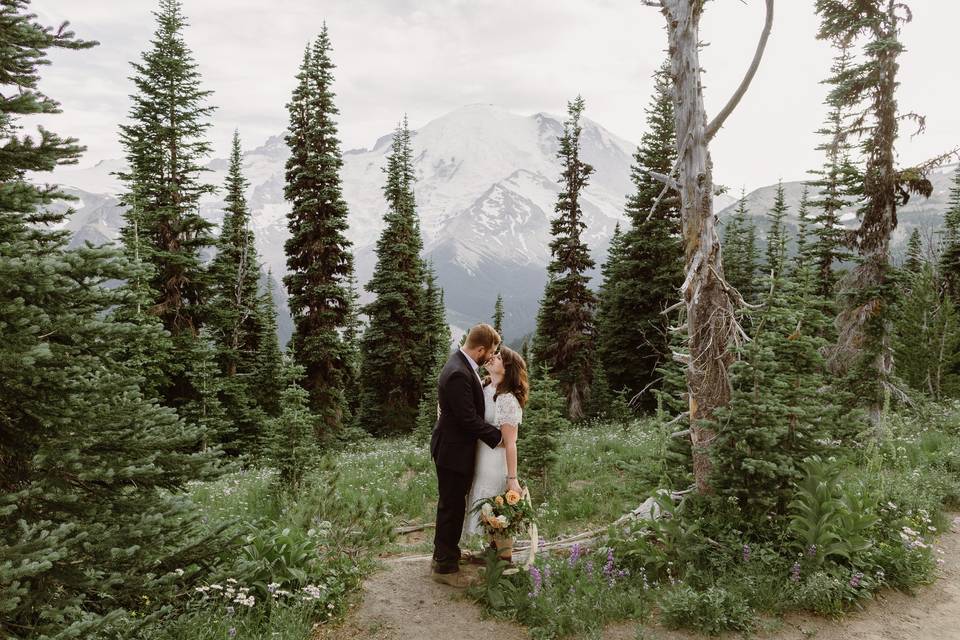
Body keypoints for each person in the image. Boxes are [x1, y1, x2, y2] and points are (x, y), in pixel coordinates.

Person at [429, 323, 516, 587]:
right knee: (452, 507)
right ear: (480, 349)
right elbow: (468, 418)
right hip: (452, 451)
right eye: (489, 352)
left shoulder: (461, 365)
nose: (490, 357)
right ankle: (445, 568)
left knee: (452, 504)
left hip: (453, 449)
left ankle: (446, 555)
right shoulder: (458, 372)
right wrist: (498, 438)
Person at [463, 346, 527, 538]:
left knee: (491, 505)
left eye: (498, 358)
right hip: (479, 456)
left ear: (507, 369)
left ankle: (496, 551)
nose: (492, 358)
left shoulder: (507, 399)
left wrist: (512, 479)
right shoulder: (484, 387)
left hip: (495, 462)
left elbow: (510, 443)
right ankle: (484, 551)